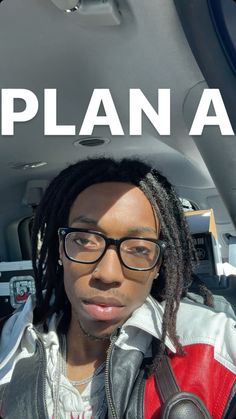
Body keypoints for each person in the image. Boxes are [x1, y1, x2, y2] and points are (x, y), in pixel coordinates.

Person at [0, 156, 236, 419]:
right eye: (85, 240)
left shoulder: (216, 347)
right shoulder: (8, 343)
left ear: (159, 264)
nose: (107, 274)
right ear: (60, 250)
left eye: (139, 248)